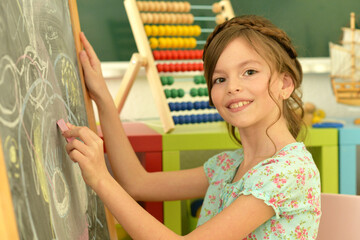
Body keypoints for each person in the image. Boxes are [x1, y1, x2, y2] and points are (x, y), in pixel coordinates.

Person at [63, 15, 321, 239]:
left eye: (249, 72)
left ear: (285, 84)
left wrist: (99, 178)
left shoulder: (288, 173)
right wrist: (103, 99)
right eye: (220, 78)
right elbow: (137, 183)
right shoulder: (227, 166)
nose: (232, 86)